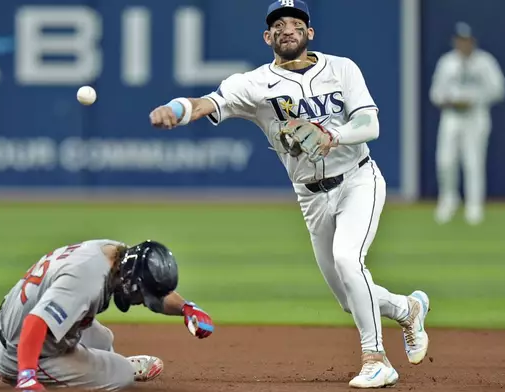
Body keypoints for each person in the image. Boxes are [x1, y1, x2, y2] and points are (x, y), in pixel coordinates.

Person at [148, 0, 429, 388]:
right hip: (310, 196)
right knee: (350, 298)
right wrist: (175, 109)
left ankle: (375, 358)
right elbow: (207, 103)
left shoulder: (342, 68)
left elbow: (369, 124)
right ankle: (408, 308)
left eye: (296, 23)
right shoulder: (254, 84)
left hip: (358, 180)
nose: (287, 29)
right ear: (268, 37)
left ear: (309, 32)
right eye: (278, 24)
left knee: (349, 262)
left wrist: (332, 134)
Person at [0, 239, 214, 391]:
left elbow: (151, 287)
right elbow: (35, 322)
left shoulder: (115, 254)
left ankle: (92, 360)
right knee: (122, 375)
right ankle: (18, 371)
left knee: (104, 339)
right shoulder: (85, 282)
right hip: (22, 349)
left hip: (8, 323)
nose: (143, 302)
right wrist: (26, 375)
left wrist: (186, 308)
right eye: (142, 297)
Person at [430, 22, 505, 225]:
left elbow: (499, 90)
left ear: (472, 41)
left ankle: (474, 206)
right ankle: (448, 200)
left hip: (476, 116)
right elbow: (435, 93)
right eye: (459, 40)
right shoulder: (446, 63)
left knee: (473, 162)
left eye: (466, 40)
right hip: (452, 115)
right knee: (445, 161)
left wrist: (474, 100)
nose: (463, 44)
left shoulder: (485, 62)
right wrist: (446, 99)